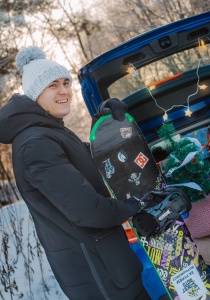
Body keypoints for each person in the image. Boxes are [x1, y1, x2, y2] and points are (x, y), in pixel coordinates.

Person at [0, 46, 151, 300]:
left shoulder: (49, 131)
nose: (64, 91)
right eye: (52, 86)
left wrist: (103, 122)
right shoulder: (36, 143)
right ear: (35, 93)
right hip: (101, 277)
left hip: (110, 269)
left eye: (65, 83)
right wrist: (132, 206)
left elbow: (88, 157)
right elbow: (89, 210)